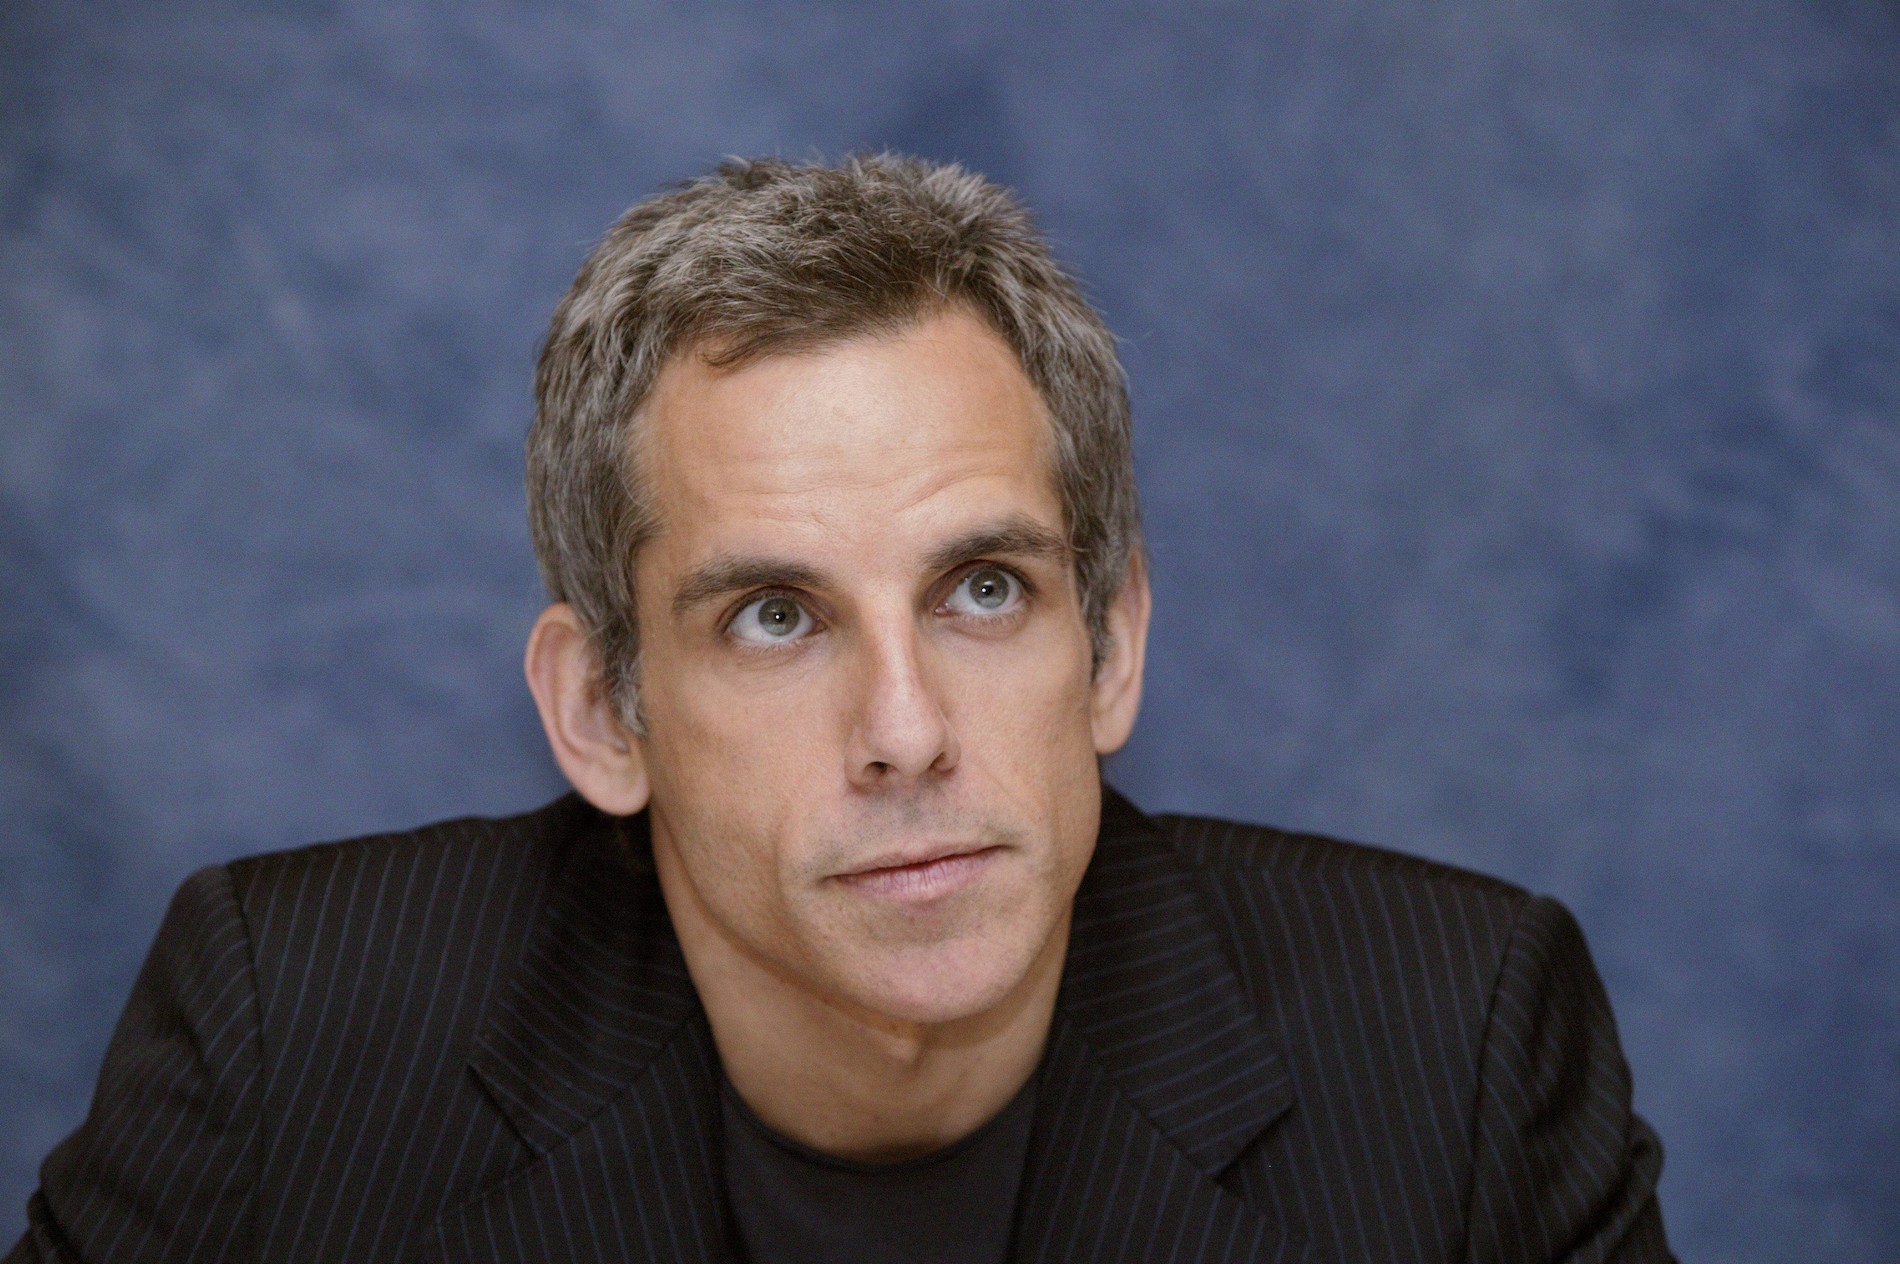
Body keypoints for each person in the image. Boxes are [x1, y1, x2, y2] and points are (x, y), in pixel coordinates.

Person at [9, 155, 1673, 1263]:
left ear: (1110, 650)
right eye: (776, 617)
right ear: (602, 712)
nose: (907, 728)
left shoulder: (1454, 1049)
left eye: (984, 590)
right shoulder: (293, 1037)